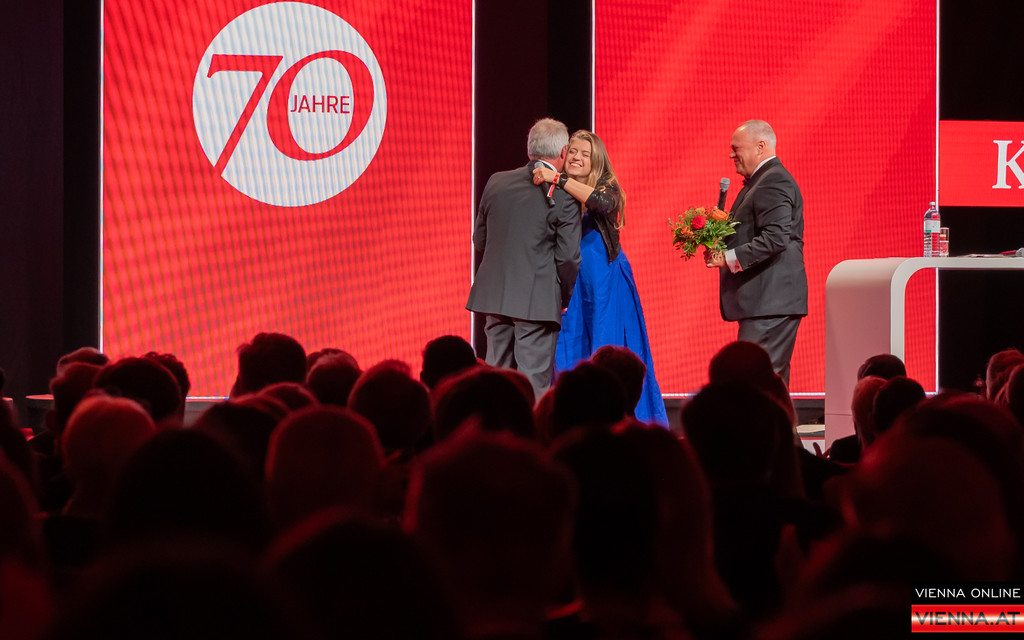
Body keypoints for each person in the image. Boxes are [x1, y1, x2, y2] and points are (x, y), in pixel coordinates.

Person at [532, 130, 667, 425]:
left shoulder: (606, 185)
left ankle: (619, 418)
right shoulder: (552, 190)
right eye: (573, 152)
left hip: (604, 280)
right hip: (570, 279)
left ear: (596, 161)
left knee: (606, 340)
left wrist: (559, 179)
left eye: (586, 154)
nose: (577, 158)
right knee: (570, 342)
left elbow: (602, 203)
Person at [466, 118, 581, 399]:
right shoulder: (564, 195)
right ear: (563, 152)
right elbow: (568, 258)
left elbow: (479, 240)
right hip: (537, 301)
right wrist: (563, 297)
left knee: (495, 382)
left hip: (495, 297)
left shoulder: (496, 181)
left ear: (530, 149)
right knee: (534, 388)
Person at [705, 120, 807, 387]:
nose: (731, 155)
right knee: (765, 384)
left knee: (755, 384)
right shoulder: (760, 182)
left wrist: (726, 258)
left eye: (736, 148)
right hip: (765, 304)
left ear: (760, 146)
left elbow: (775, 238)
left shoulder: (773, 181)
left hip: (771, 303)